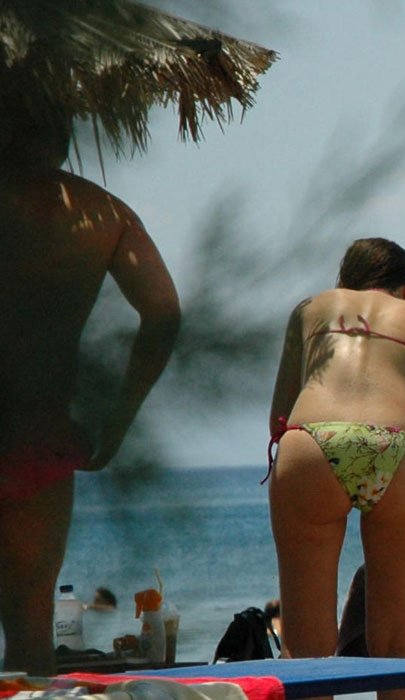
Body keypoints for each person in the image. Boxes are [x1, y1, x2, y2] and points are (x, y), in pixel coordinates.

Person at [0, 93, 181, 675]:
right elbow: (163, 312)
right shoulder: (103, 212)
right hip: (40, 429)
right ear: (61, 138)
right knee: (30, 625)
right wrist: (116, 420)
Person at [265, 238, 405, 700]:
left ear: (342, 283)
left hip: (310, 444)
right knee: (397, 645)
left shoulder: (310, 310)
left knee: (305, 647)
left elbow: (279, 419)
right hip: (398, 448)